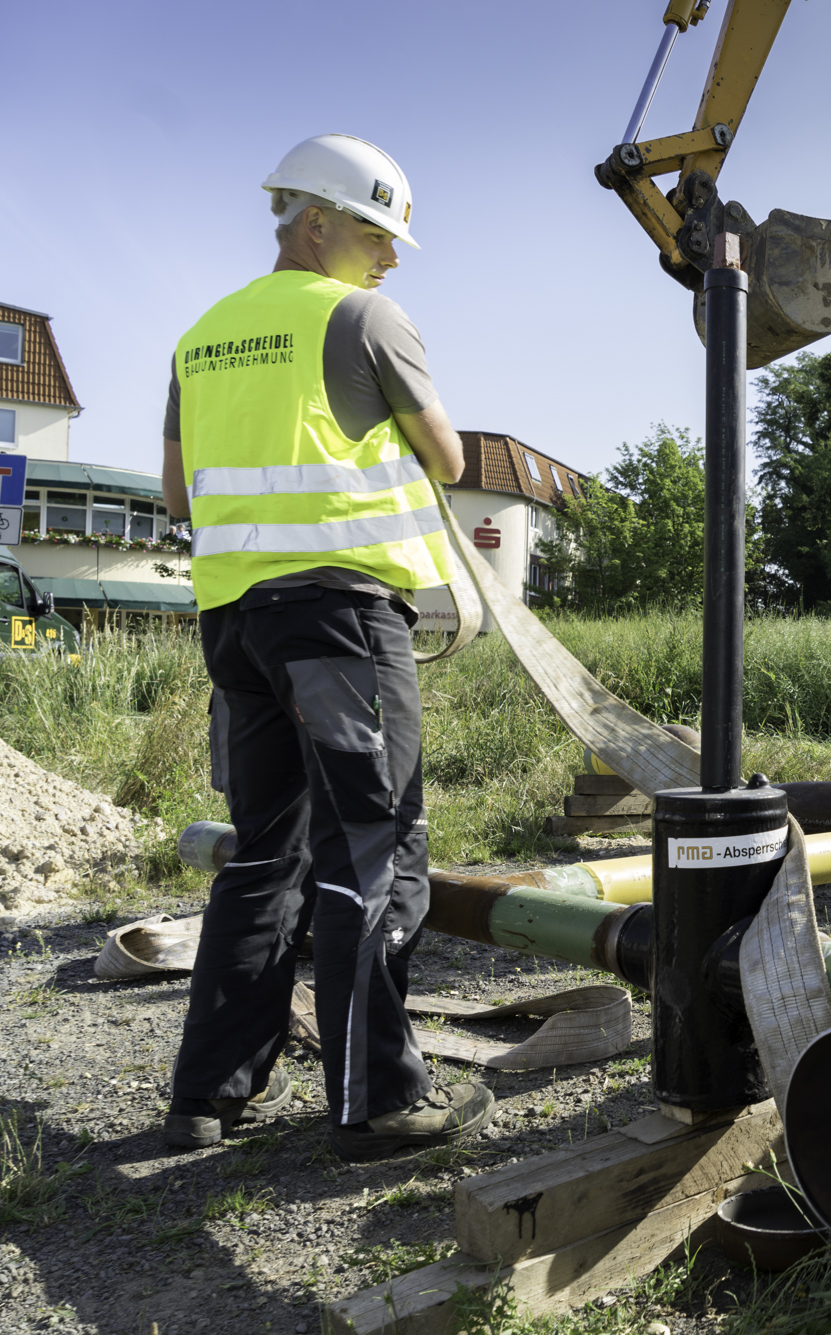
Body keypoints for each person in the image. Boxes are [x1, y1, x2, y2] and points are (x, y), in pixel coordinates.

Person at [160, 134, 494, 1159]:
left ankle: (206, 1099)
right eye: (377, 232)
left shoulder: (203, 334)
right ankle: (380, 1103)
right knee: (373, 851)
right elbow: (448, 455)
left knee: (261, 857)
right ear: (317, 222)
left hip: (235, 625)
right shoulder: (363, 317)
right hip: (342, 619)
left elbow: (177, 495)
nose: (390, 257)